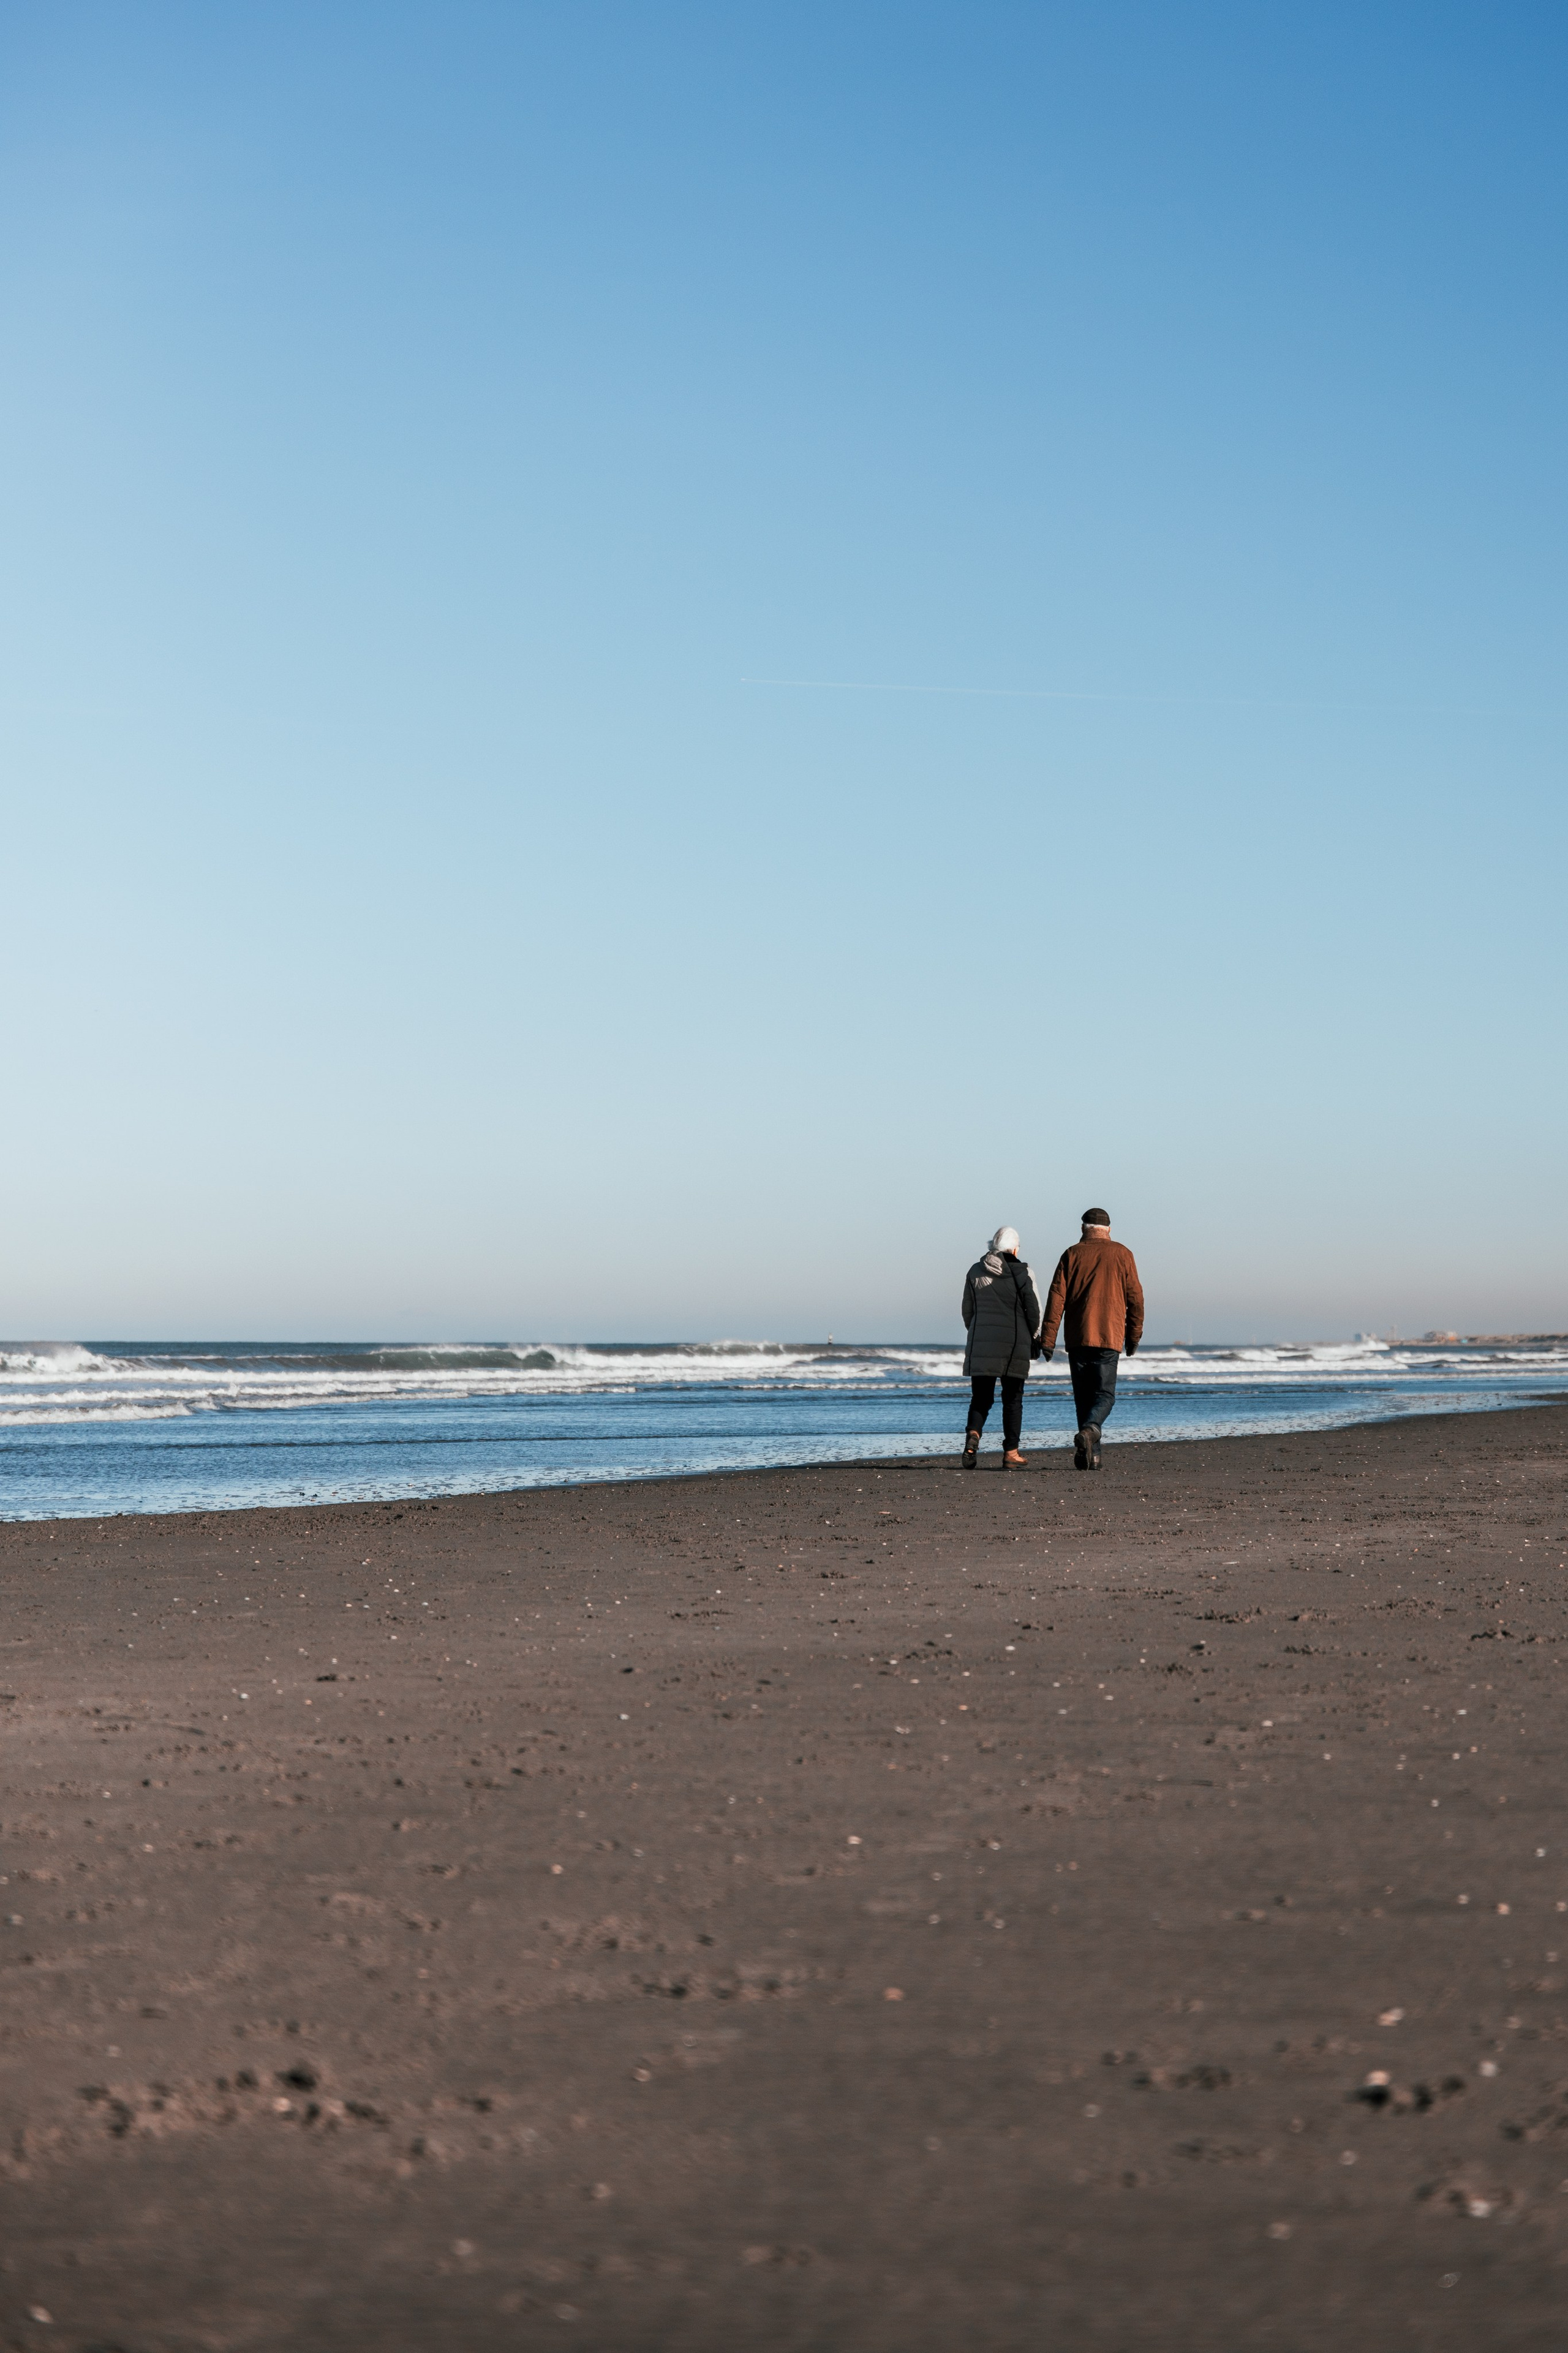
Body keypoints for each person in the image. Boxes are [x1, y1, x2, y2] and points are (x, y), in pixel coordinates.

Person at [1038, 1208, 1145, 1470]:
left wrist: (1048, 1340)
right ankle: (1090, 1437)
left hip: (1078, 1338)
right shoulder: (1123, 1254)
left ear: (1083, 1228)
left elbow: (1056, 1300)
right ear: (1108, 1229)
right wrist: (1133, 1336)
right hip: (1109, 1336)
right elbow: (1136, 1300)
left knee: (1083, 1399)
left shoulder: (1072, 1254)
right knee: (1105, 1396)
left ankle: (1090, 1455)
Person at [960, 1227, 1042, 1470]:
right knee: (1013, 1400)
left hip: (981, 1342)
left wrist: (977, 1332)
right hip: (1014, 1344)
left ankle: (973, 1437)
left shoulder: (975, 1270)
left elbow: (968, 1311)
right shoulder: (1024, 1271)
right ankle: (1011, 1453)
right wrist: (1034, 1337)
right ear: (1015, 1248)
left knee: (981, 1398)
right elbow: (1034, 1310)